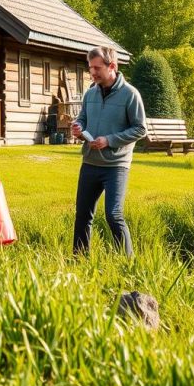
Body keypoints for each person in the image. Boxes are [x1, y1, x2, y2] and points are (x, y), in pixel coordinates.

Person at [70, 45, 147, 257]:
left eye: (97, 68)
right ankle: (78, 263)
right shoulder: (90, 94)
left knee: (114, 215)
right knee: (83, 215)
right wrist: (78, 128)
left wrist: (110, 140)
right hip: (90, 162)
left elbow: (140, 128)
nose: (92, 72)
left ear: (112, 66)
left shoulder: (130, 94)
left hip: (116, 165)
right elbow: (83, 119)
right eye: (90, 68)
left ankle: (128, 264)